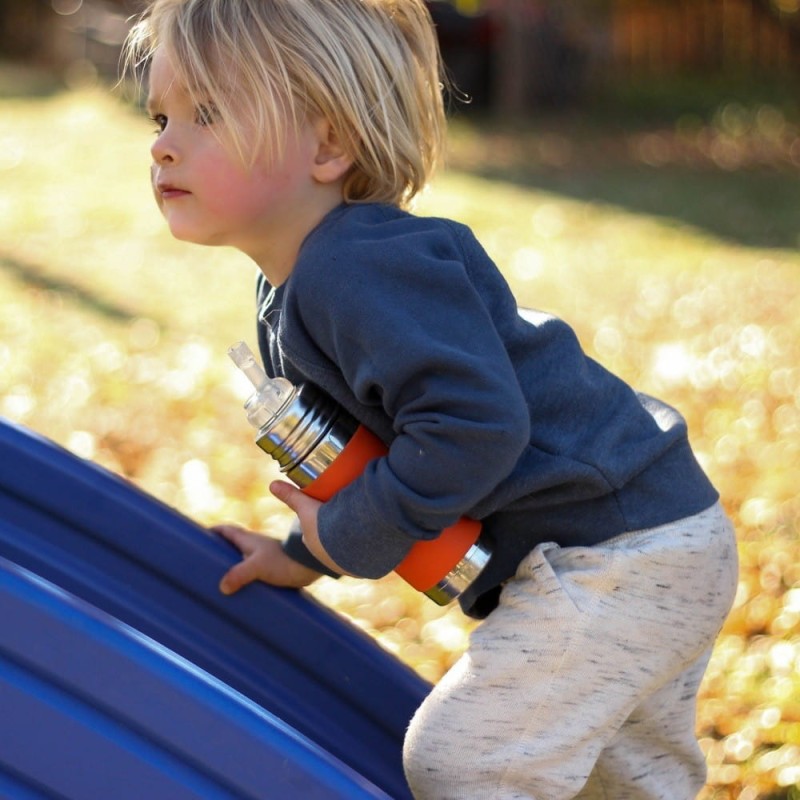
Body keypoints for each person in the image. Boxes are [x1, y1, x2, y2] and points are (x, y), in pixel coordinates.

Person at [123, 2, 738, 798]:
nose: (164, 142)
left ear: (329, 143)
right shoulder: (303, 281)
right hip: (652, 534)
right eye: (162, 115)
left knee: (470, 763)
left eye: (206, 113)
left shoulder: (354, 270)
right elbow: (368, 453)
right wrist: (304, 553)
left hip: (616, 550)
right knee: (617, 787)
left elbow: (473, 428)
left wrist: (344, 536)